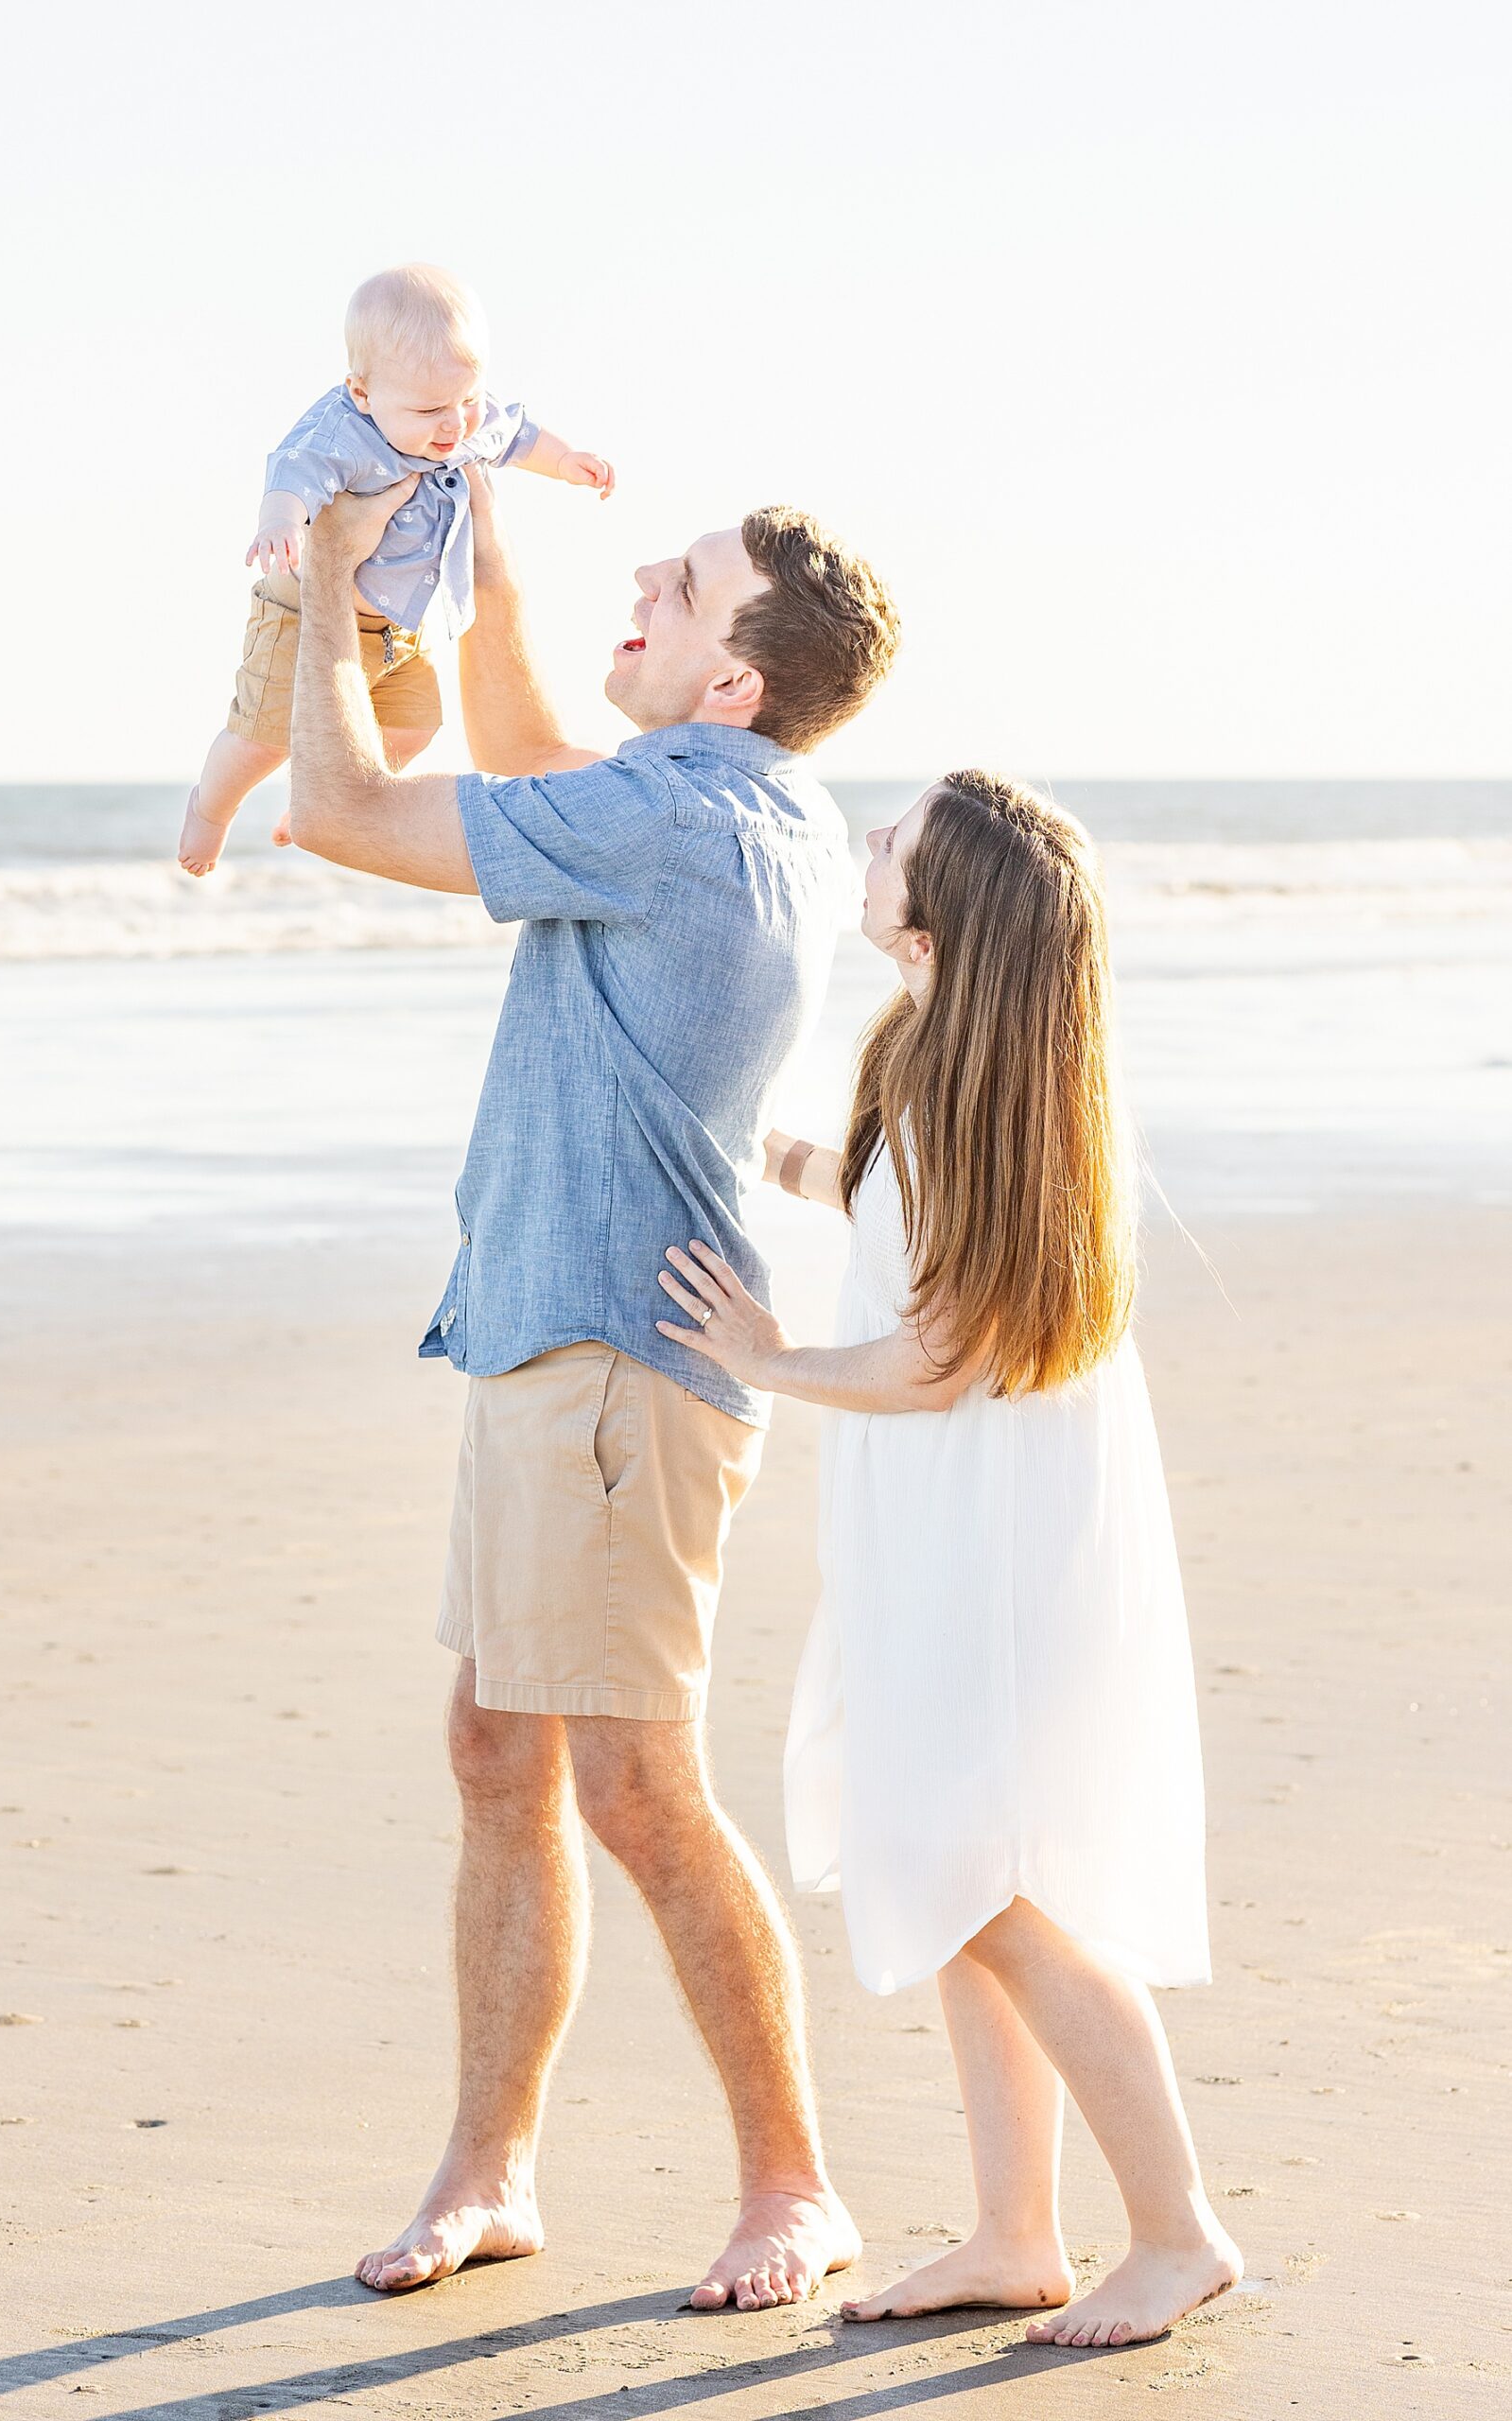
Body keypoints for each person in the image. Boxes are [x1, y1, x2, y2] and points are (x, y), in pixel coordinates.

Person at [282, 462, 900, 2309]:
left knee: (630, 1782)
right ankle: (494, 2166)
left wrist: (327, 579)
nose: (648, 573)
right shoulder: (722, 793)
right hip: (557, 1331)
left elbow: (333, 806)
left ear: (729, 681)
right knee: (500, 1746)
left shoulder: (684, 821)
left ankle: (795, 2181)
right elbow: (533, 737)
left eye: (685, 585)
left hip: (623, 1362)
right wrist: (470, 548)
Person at [655, 772, 1244, 2350]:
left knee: (974, 1881)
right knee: (972, 1870)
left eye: (893, 841)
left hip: (986, 1537)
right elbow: (880, 1199)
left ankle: (1177, 2231)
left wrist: (766, 1356)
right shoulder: (945, 1066)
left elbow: (927, 1362)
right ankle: (1013, 2230)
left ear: (941, 912)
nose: (866, 847)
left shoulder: (971, 1095)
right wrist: (763, 1153)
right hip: (964, 1522)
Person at [179, 262, 613, 875]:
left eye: (466, 399)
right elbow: (292, 471)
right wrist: (279, 521)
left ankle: (322, 799)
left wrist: (567, 461)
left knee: (413, 731)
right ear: (363, 392)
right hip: (306, 616)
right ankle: (209, 810)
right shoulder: (344, 432)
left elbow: (518, 435)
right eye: (430, 409)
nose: (454, 424)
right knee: (262, 737)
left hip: (400, 624)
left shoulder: (465, 417)